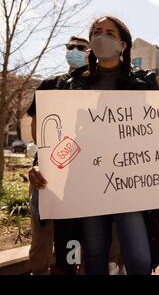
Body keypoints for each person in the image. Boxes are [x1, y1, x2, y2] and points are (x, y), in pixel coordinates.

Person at [28, 16, 159, 275]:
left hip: (129, 184)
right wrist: (40, 164)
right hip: (88, 184)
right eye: (97, 31)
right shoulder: (72, 85)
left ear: (123, 44)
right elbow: (56, 137)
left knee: (139, 258)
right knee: (95, 256)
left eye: (110, 32)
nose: (102, 36)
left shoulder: (144, 82)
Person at [27, 36, 89, 275]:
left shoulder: (97, 86)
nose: (73, 50)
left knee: (78, 241)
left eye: (80, 47)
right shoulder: (48, 84)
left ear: (89, 52)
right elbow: (36, 129)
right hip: (45, 175)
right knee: (42, 237)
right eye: (69, 47)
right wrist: (45, 159)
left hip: (82, 180)